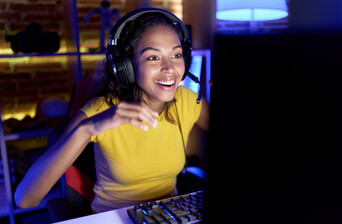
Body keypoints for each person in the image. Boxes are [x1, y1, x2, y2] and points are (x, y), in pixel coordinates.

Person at [14, 8, 209, 213]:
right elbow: (25, 199)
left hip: (168, 219)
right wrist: (86, 129)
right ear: (126, 66)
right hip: (112, 223)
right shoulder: (100, 111)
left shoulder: (187, 100)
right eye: (153, 57)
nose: (169, 68)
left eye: (176, 55)